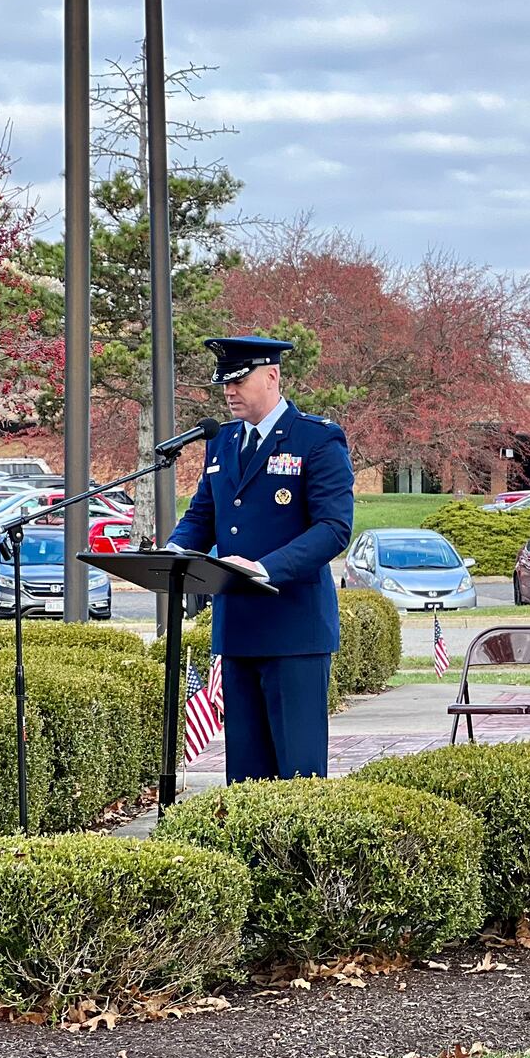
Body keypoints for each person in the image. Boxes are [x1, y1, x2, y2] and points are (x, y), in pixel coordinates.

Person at [168, 335, 353, 782]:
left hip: (294, 628)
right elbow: (203, 515)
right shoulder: (224, 441)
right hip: (238, 627)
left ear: (271, 376)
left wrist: (267, 567)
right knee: (245, 778)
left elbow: (333, 529)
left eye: (239, 380)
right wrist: (173, 551)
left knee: (298, 774)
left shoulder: (316, 439)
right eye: (224, 383)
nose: (228, 391)